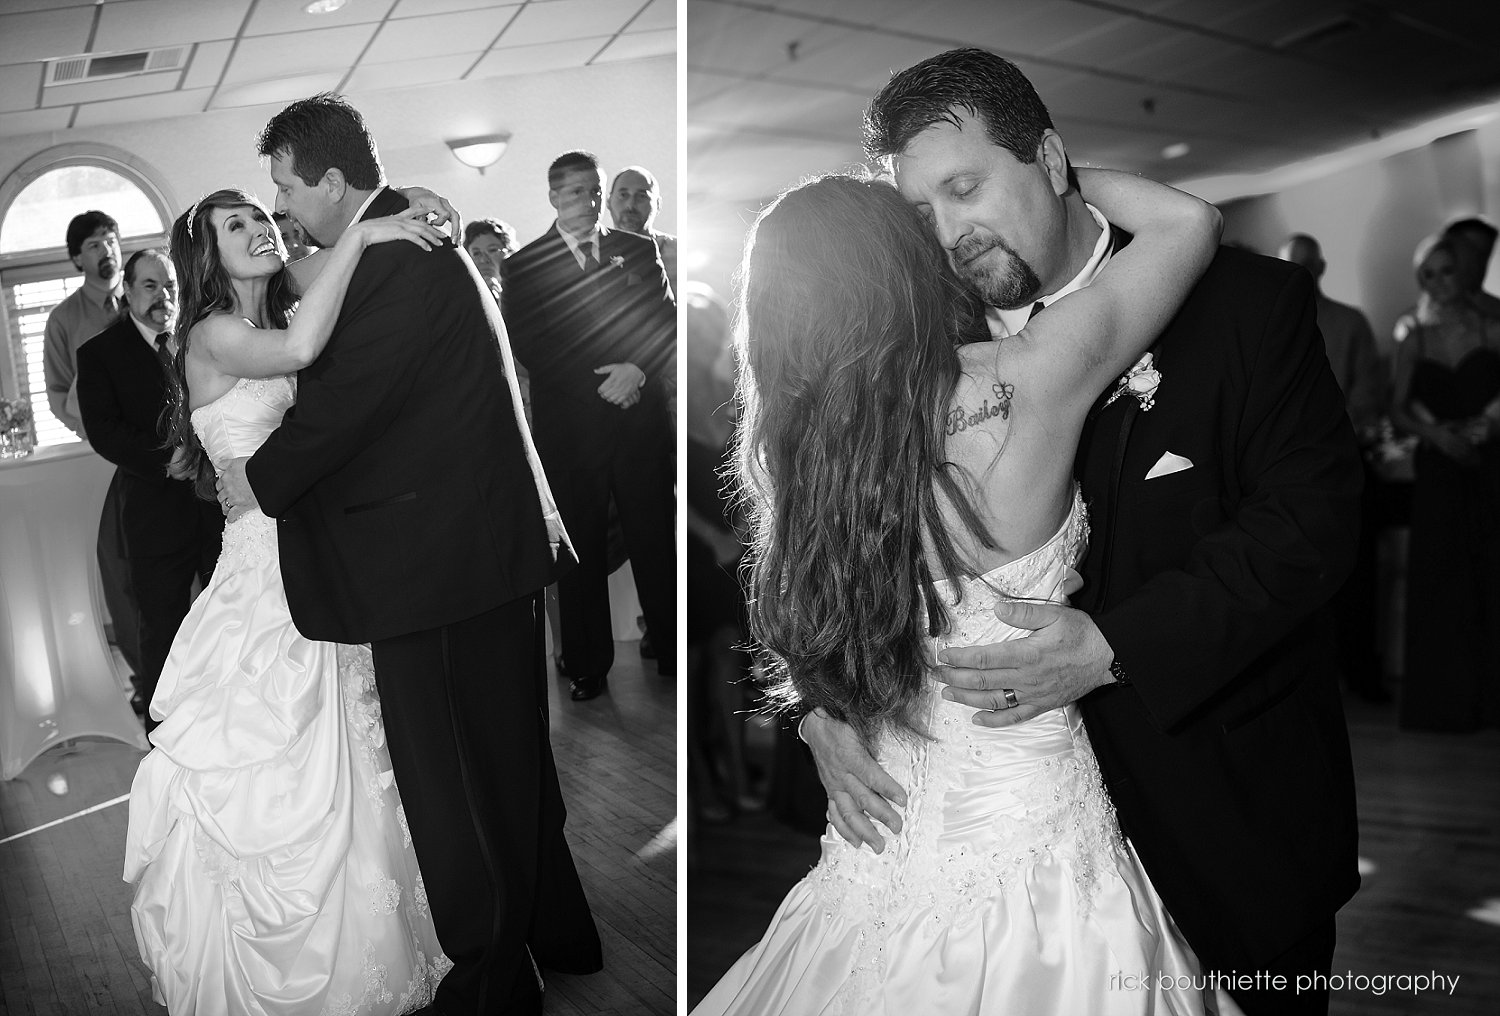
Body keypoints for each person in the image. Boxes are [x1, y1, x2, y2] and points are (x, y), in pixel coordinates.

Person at [797, 48, 1362, 1016]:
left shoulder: (1245, 308)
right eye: (922, 213)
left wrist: (1114, 644)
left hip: (1224, 816)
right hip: (996, 849)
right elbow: (828, 543)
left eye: (967, 187)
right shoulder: (913, 352)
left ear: (1053, 158)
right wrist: (819, 701)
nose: (950, 233)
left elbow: (1309, 527)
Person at [695, 164, 1221, 1014]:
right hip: (1029, 816)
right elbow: (1187, 222)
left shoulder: (800, 452)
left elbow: (800, 628)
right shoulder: (1030, 373)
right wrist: (1042, 168)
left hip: (880, 821)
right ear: (907, 260)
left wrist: (820, 718)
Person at [217, 93, 602, 1014]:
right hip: (468, 560)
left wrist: (257, 483)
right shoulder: (394, 242)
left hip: (434, 570)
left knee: (455, 791)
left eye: (285, 186)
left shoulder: (402, 262)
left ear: (333, 180)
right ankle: (556, 932)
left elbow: (346, 405)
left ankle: (491, 983)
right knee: (507, 771)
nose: (281, 207)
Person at [121, 187, 451, 1012]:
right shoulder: (212, 332)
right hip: (263, 570)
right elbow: (303, 350)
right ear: (205, 254)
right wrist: (372, 225)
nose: (262, 231)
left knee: (348, 741)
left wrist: (403, 213)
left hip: (319, 553)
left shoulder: (284, 294)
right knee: (279, 749)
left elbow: (331, 268)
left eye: (264, 219)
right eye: (239, 226)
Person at [505, 149, 677, 701]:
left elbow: (662, 317)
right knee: (579, 550)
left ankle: (674, 649)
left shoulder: (637, 249)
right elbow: (529, 341)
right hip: (572, 427)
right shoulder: (526, 263)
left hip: (638, 420)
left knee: (655, 539)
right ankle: (586, 665)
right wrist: (601, 385)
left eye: (595, 190)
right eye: (578, 191)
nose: (591, 200)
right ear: (554, 196)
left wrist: (636, 370)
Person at [74, 249, 223, 734]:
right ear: (128, 293)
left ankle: (225, 721)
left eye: (170, 286)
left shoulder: (198, 338)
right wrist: (166, 457)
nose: (164, 296)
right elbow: (105, 431)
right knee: (162, 626)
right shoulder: (99, 355)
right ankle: (164, 735)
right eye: (150, 286)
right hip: (154, 514)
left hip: (216, 506)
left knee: (227, 616)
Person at [1390, 234, 1500, 731]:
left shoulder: (1490, 325)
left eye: (1447, 270)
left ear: (1464, 272)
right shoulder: (1411, 330)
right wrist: (1435, 433)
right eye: (1428, 274)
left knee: (1490, 575)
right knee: (1441, 581)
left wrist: (1490, 424)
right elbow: (1397, 405)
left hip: (1489, 462)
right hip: (1439, 465)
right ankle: (1442, 706)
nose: (1439, 281)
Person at [1278, 232, 1388, 700]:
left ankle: (1362, 678)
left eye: (1306, 264)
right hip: (1282, 468)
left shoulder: (1349, 321)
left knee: (1356, 574)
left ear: (1320, 267)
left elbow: (1370, 393)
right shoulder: (1273, 320)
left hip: (1344, 461)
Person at [44, 210, 143, 702]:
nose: (106, 248)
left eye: (111, 238)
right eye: (94, 244)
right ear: (77, 258)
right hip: (103, 466)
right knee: (121, 570)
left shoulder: (147, 299)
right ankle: (146, 682)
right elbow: (60, 399)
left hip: (161, 457)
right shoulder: (64, 320)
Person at [608, 165, 676, 286]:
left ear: (658, 204)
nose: (630, 205)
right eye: (623, 195)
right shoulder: (593, 254)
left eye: (642, 196)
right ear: (608, 201)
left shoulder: (679, 253)